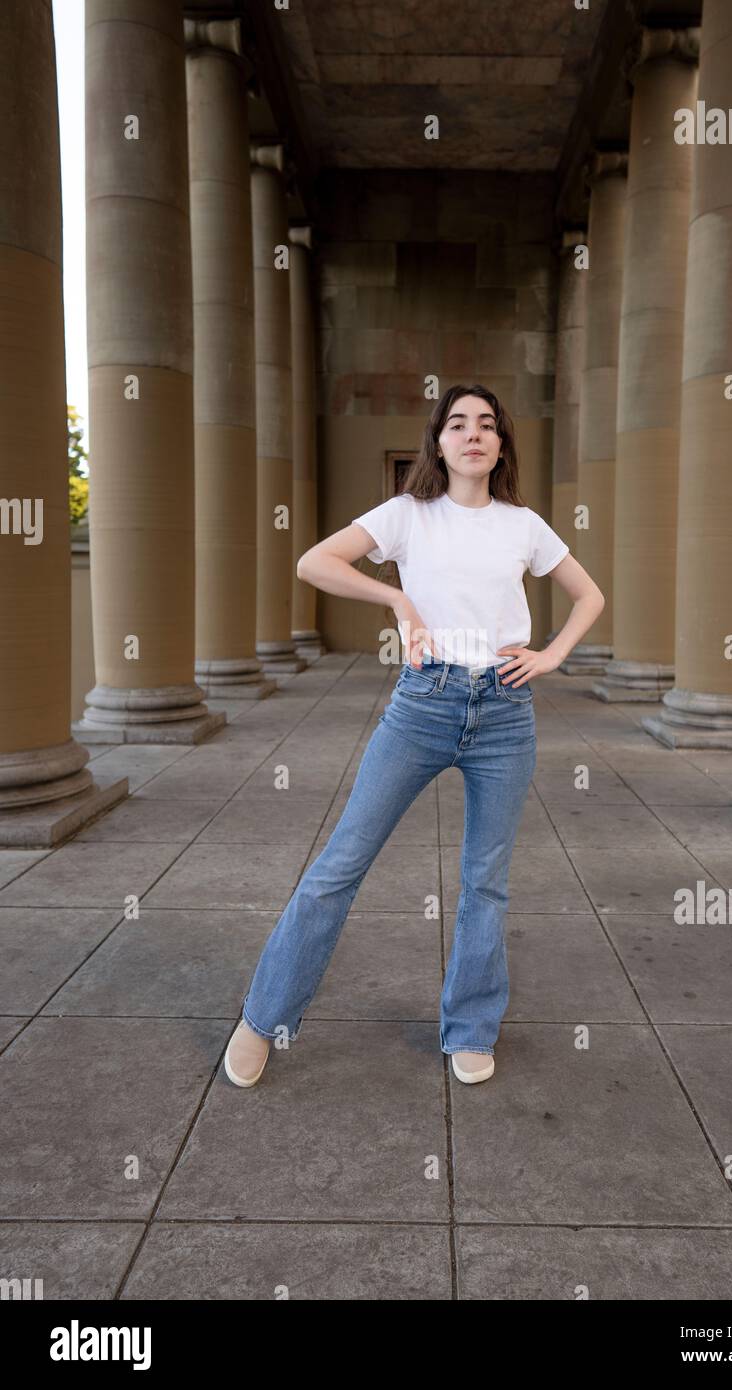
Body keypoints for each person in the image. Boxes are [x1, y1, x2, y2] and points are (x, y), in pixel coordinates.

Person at [224, 384, 605, 1088]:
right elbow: (315, 562)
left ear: (499, 445)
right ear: (438, 442)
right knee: (340, 865)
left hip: (504, 710)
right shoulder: (407, 515)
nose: (473, 435)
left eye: (487, 425)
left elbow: (590, 595)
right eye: (458, 423)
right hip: (424, 705)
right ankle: (263, 1018)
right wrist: (397, 598)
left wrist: (550, 656)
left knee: (485, 882)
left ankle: (469, 1027)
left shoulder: (523, 524)